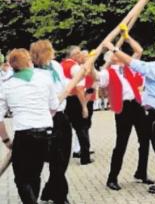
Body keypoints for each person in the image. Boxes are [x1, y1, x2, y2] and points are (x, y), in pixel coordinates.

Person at [104, 40, 155, 195]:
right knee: (125, 143)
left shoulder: (151, 68)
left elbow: (132, 57)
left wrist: (113, 47)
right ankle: (113, 177)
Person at [0, 48, 59, 204]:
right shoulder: (45, 78)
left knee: (21, 178)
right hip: (46, 133)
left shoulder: (6, 85)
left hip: (24, 134)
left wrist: (6, 140)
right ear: (29, 61)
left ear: (12, 65)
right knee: (34, 174)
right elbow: (54, 105)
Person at [94, 34, 152, 191]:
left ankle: (141, 172)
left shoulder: (129, 67)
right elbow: (97, 77)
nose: (120, 55)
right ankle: (112, 178)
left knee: (145, 139)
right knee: (121, 143)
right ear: (112, 58)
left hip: (137, 105)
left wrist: (127, 37)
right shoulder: (107, 72)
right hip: (123, 108)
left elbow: (139, 50)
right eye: (117, 54)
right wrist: (91, 64)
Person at [30, 40, 72, 204]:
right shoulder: (33, 72)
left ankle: (50, 190)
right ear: (43, 53)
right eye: (50, 49)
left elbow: (63, 84)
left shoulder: (56, 65)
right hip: (44, 118)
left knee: (63, 158)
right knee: (52, 158)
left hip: (61, 116)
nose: (54, 51)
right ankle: (59, 196)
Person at [61, 47, 93, 165]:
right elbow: (79, 89)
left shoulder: (60, 66)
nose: (81, 56)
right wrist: (84, 106)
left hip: (63, 99)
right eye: (79, 53)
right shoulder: (75, 68)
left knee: (64, 129)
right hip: (75, 100)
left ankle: (61, 156)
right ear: (74, 55)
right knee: (81, 128)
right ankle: (85, 157)